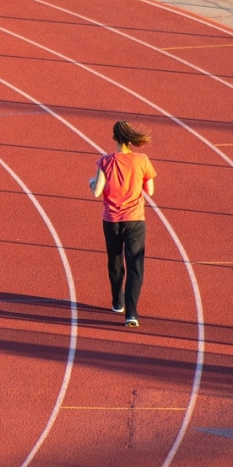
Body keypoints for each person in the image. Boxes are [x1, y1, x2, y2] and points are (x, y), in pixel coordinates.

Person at [89, 121, 156, 328]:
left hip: (111, 220)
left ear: (114, 139)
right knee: (135, 265)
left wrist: (92, 182)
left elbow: (96, 191)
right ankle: (132, 313)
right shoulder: (142, 160)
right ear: (130, 138)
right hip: (135, 220)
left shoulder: (105, 161)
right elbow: (150, 190)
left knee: (115, 260)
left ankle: (117, 301)